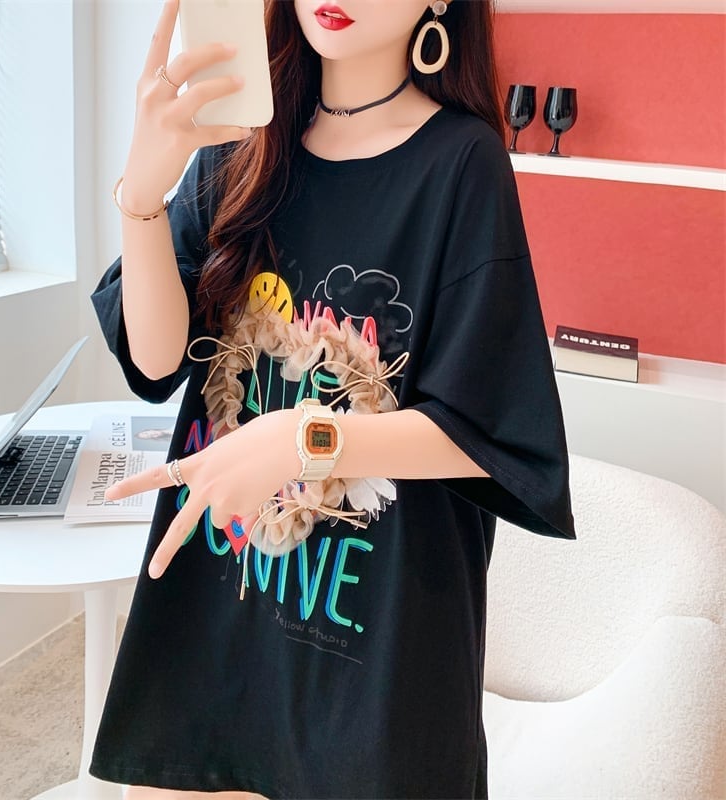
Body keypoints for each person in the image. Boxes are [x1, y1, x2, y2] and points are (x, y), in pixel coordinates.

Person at [89, 0, 576, 797]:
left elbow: (487, 432)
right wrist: (140, 195)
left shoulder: (462, 164)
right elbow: (156, 356)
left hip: (371, 672)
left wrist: (302, 440)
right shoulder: (240, 148)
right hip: (211, 638)